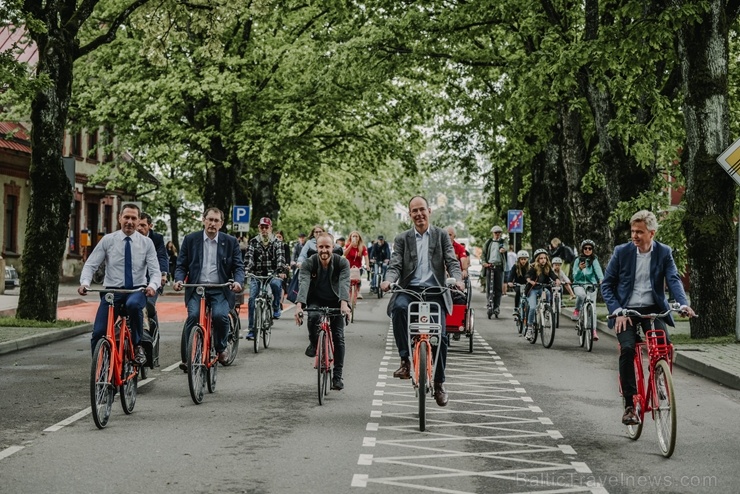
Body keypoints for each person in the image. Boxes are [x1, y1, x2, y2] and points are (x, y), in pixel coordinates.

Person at [601, 210, 695, 425]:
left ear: (651, 233)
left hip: (652, 309)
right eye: (633, 231)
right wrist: (617, 311)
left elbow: (673, 280)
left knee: (664, 346)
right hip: (626, 311)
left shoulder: (664, 252)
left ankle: (661, 380)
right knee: (627, 348)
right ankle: (629, 406)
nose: (634, 236)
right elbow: (607, 285)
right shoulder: (622, 252)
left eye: (639, 232)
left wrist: (683, 304)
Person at [380, 196, 464, 408]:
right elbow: (395, 265)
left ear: (429, 211)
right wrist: (388, 281)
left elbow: (452, 261)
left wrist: (459, 280)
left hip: (436, 290)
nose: (419, 214)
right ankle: (405, 361)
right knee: (398, 309)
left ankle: (439, 383)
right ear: (410, 214)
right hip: (410, 289)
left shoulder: (441, 236)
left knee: (442, 337)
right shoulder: (402, 239)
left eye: (422, 210)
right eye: (414, 211)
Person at [78, 203, 161, 364]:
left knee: (133, 305)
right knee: (99, 332)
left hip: (136, 291)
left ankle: (137, 345)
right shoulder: (108, 240)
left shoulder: (146, 243)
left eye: (133, 218)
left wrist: (152, 286)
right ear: (119, 218)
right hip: (112, 292)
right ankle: (101, 367)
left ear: (138, 221)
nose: (129, 221)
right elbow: (91, 264)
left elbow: (155, 270)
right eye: (126, 217)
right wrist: (85, 283)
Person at [173, 207, 244, 369]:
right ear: (204, 220)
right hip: (197, 288)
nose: (212, 223)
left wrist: (238, 282)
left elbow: (238, 267)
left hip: (220, 288)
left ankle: (220, 348)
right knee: (194, 316)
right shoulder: (191, 239)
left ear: (221, 223)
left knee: (220, 316)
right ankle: (188, 357)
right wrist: (178, 280)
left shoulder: (230, 242)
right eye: (209, 219)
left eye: (216, 221)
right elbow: (181, 265)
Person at [294, 232, 352, 390]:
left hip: (336, 300)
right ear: (316, 248)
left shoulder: (342, 263)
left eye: (327, 247)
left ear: (333, 247)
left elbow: (344, 283)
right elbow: (304, 284)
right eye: (321, 247)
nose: (324, 250)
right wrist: (299, 306)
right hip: (315, 299)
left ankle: (337, 376)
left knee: (338, 336)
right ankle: (313, 343)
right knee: (312, 317)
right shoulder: (309, 263)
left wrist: (344, 304)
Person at [244, 217, 287, 338]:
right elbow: (249, 258)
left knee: (276, 284)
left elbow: (280, 258)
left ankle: (276, 306)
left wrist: (280, 269)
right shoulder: (253, 241)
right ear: (259, 228)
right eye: (262, 227)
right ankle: (252, 329)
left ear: (270, 228)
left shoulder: (277, 243)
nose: (264, 230)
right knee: (252, 299)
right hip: (256, 274)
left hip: (272, 273)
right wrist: (247, 268)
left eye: (266, 227)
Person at [570, 239, 604, 342]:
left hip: (591, 285)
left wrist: (601, 280)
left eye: (590, 248)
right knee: (581, 296)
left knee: (592, 309)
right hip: (578, 284)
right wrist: (580, 269)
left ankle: (593, 331)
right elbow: (575, 276)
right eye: (585, 248)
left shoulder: (594, 260)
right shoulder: (577, 260)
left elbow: (598, 271)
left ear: (592, 250)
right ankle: (577, 310)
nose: (588, 250)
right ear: (582, 249)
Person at [524, 249, 560, 341]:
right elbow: (527, 275)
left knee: (548, 294)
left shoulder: (547, 267)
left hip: (542, 288)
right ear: (537, 259)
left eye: (544, 258)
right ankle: (529, 327)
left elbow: (552, 275)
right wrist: (530, 281)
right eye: (541, 258)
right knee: (532, 308)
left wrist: (556, 279)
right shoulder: (533, 267)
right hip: (533, 289)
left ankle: (546, 310)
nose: (543, 260)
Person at [481, 226, 508, 316]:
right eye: (496, 233)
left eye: (499, 233)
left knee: (498, 288)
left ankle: (496, 307)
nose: (498, 234)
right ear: (493, 233)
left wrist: (503, 249)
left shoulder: (502, 241)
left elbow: (506, 246)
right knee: (489, 287)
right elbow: (483, 254)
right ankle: (489, 303)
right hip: (490, 266)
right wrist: (484, 263)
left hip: (499, 267)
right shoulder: (488, 242)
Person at [507, 250, 530, 329]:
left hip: (527, 284)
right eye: (522, 259)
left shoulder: (530, 267)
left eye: (525, 259)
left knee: (529, 295)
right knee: (517, 292)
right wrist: (510, 281)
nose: (523, 261)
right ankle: (516, 308)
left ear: (527, 259)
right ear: (519, 259)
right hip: (518, 284)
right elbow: (511, 275)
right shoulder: (515, 266)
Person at [344, 231, 369, 300]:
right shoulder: (347, 245)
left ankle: (358, 291)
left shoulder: (362, 247)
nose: (355, 238)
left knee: (358, 280)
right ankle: (347, 293)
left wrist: (367, 265)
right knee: (348, 281)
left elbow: (366, 256)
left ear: (359, 238)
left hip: (358, 267)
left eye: (356, 236)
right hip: (348, 267)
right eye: (353, 236)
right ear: (350, 238)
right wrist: (351, 245)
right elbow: (344, 254)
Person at [274, 230, 292, 307]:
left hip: (284, 267)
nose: (278, 238)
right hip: (275, 268)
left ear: (282, 238)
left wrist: (287, 265)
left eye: (279, 237)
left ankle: (280, 302)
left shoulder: (286, 246)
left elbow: (288, 257)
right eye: (277, 237)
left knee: (282, 284)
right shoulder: (273, 245)